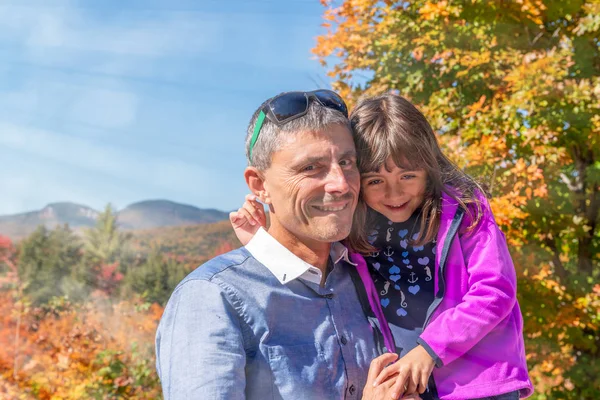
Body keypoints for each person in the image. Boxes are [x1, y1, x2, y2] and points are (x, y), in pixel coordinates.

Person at [231, 92, 534, 400]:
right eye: (375, 181)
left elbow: (495, 291)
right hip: (403, 383)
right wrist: (262, 240)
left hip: (477, 384)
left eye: (408, 176)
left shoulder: (465, 210)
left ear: (429, 169)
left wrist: (430, 350)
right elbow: (315, 264)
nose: (394, 193)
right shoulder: (355, 224)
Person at [156, 90, 409, 399]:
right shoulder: (213, 297)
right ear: (259, 185)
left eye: (346, 162)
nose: (341, 184)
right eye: (311, 168)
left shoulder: (365, 277)